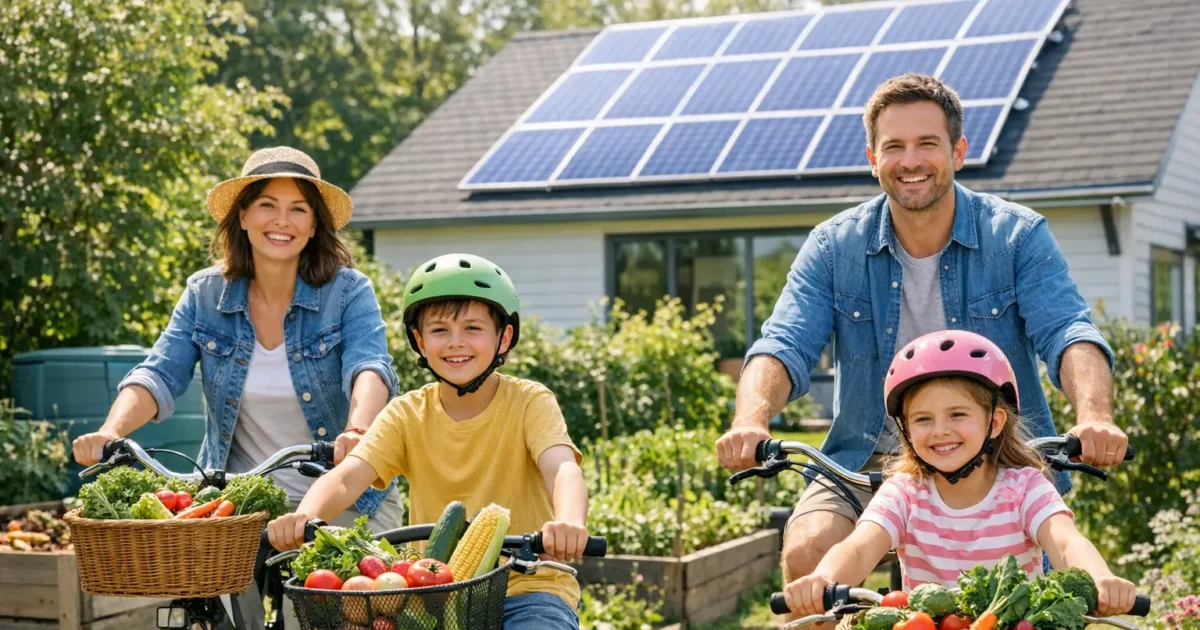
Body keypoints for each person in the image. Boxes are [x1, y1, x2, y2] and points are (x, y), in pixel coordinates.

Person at [714, 73, 1130, 609]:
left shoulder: (1016, 235)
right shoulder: (833, 246)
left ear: (958, 150)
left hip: (991, 456)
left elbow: (1069, 331)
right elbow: (784, 342)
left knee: (1023, 601)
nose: (911, 161)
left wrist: (1095, 414)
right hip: (863, 461)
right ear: (872, 157)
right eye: (894, 147)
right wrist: (750, 420)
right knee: (810, 556)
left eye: (927, 144)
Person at [71, 146, 405, 527]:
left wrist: (357, 431)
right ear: (243, 215)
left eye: (298, 208)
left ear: (314, 226)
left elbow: (369, 368)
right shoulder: (206, 294)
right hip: (242, 506)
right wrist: (109, 433)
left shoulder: (347, 292)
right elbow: (159, 373)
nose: (282, 221)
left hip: (347, 499)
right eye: (267, 205)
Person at [267, 253, 591, 630]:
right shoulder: (406, 413)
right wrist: (304, 516)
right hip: (434, 591)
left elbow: (562, 468)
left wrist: (569, 521)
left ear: (504, 337)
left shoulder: (531, 402)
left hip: (528, 588)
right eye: (439, 330)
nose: (456, 343)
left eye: (472, 328)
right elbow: (345, 476)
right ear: (419, 341)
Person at [782, 330, 1138, 618]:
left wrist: (1100, 578)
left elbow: (1065, 542)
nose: (940, 431)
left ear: (994, 422)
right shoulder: (904, 493)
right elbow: (859, 549)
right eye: (923, 419)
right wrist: (824, 578)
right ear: (905, 430)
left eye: (957, 415)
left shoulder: (1025, 487)